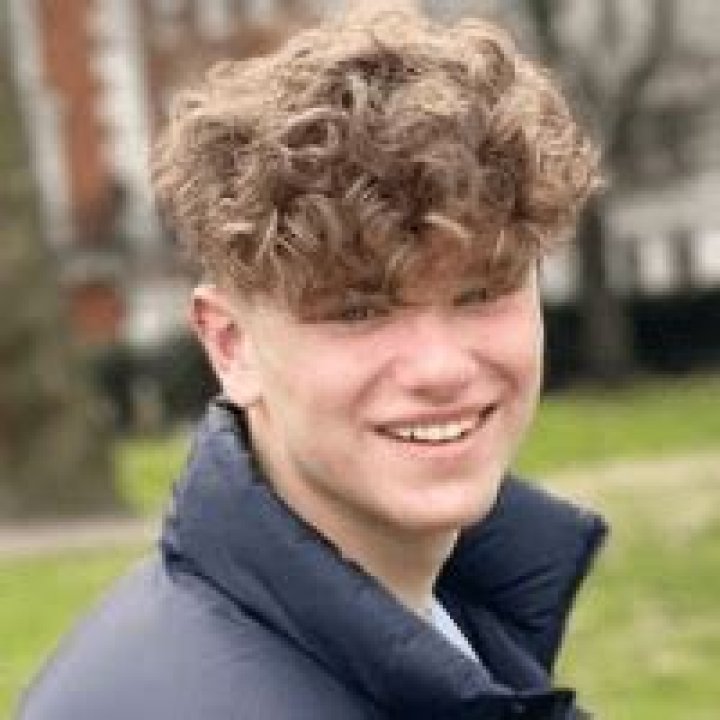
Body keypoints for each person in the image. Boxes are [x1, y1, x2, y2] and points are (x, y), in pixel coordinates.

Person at [20, 3, 608, 718]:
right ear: (230, 345)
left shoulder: (443, 620)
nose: (440, 367)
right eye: (358, 311)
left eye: (480, 293)